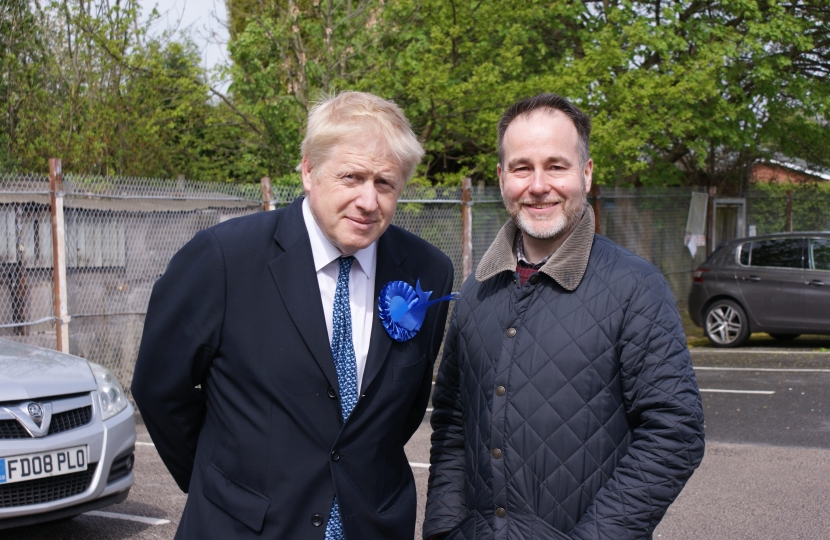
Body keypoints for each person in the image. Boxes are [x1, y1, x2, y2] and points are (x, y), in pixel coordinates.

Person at [132, 91, 454, 539]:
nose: (368, 200)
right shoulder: (223, 259)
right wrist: (225, 487)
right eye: (351, 177)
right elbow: (159, 389)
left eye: (385, 183)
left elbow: (402, 411)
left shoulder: (427, 271)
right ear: (308, 170)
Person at [423, 93, 705, 540]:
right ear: (501, 179)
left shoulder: (635, 288)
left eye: (556, 166)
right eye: (521, 168)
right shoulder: (478, 289)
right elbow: (453, 423)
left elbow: (675, 433)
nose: (538, 185)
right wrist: (443, 529)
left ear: (586, 174)